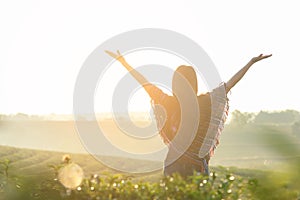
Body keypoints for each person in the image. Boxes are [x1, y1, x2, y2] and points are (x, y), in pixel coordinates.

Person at [105, 50, 272, 176]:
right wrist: (124, 63)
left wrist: (250, 63)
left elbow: (145, 83)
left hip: (182, 166)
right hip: (185, 166)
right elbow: (228, 86)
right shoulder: (201, 102)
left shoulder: (181, 102)